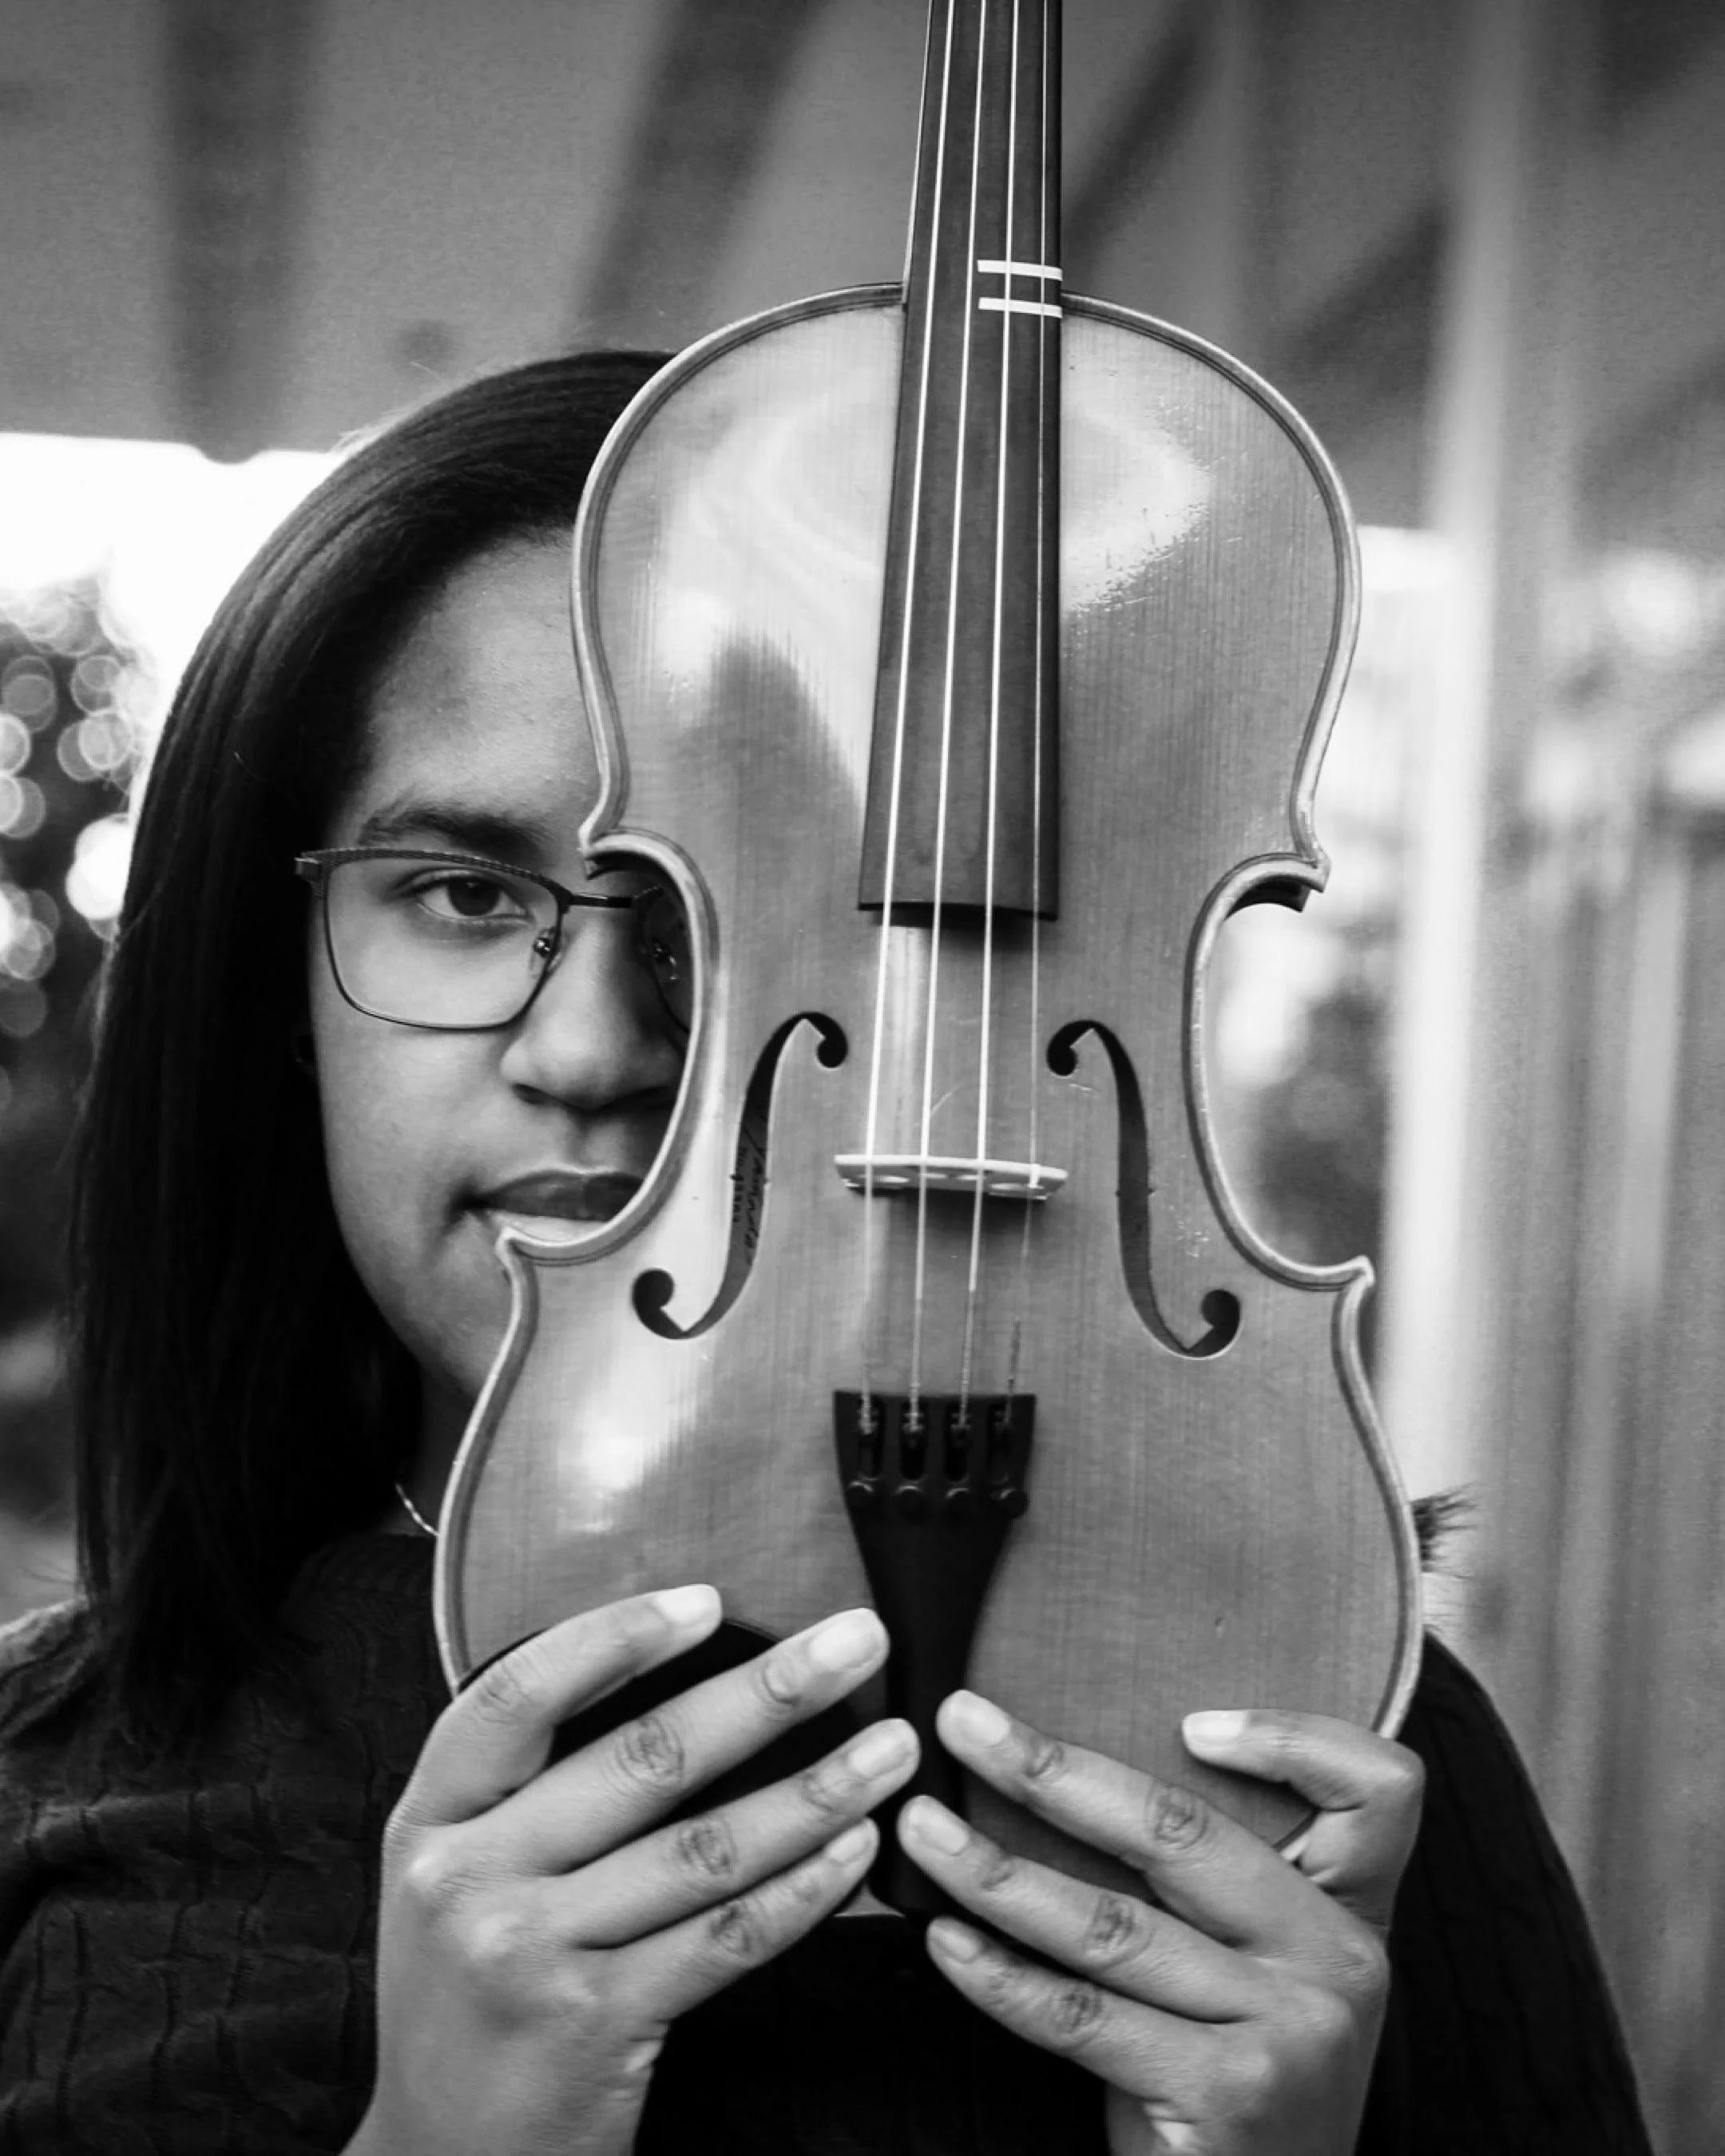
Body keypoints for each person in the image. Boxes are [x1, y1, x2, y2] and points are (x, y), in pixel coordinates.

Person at [0, 353, 1648, 2155]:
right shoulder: (36, 1789)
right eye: (464, 895)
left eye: (725, 907)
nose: (588, 1046)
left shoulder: (1325, 1756)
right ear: (279, 996)